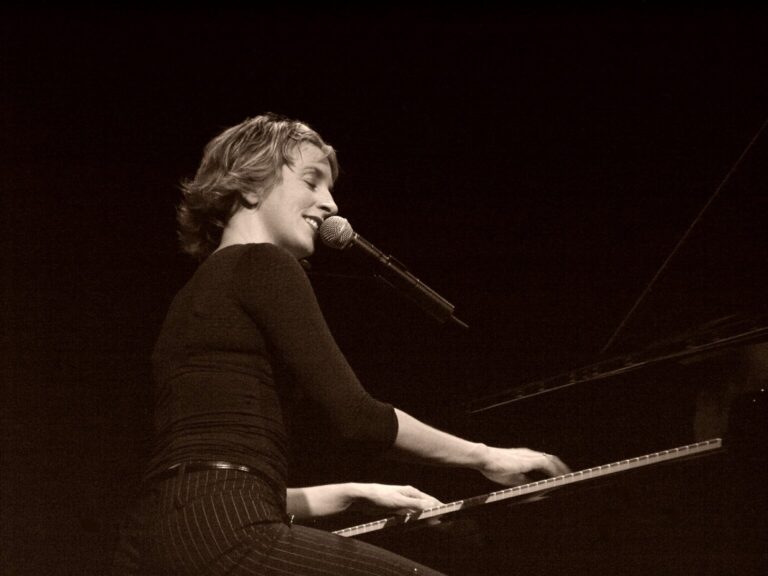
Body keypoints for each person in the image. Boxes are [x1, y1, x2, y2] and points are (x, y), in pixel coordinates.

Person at [110, 112, 570, 575]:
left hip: (151, 540)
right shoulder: (263, 263)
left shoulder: (190, 297)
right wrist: (486, 455)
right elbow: (356, 416)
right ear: (249, 186)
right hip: (221, 530)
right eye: (311, 181)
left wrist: (351, 491)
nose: (330, 203)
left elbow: (206, 475)